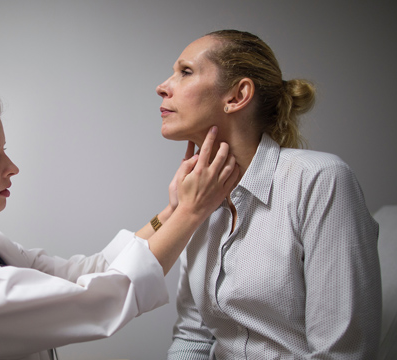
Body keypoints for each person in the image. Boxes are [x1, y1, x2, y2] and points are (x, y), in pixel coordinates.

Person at [0, 77, 239, 360]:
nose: (12, 167)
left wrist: (170, 212)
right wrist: (192, 212)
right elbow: (99, 299)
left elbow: (95, 270)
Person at [155, 30, 381, 359]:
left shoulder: (320, 180)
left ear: (237, 95)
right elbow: (193, 337)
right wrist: (175, 212)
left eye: (185, 71)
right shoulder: (198, 199)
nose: (163, 86)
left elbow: (341, 353)